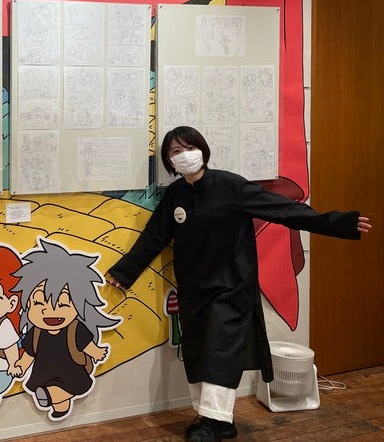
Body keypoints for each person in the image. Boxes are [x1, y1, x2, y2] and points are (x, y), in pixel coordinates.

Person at [105, 126, 372, 442]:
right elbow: (154, 237)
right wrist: (124, 272)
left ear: (203, 150)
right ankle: (216, 419)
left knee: (218, 352)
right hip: (193, 288)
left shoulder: (231, 186)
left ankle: (212, 421)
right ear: (169, 161)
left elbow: (284, 210)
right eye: (175, 151)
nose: (184, 155)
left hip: (230, 286)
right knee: (198, 352)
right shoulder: (175, 195)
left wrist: (338, 223)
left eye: (189, 147)